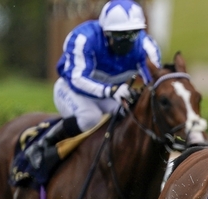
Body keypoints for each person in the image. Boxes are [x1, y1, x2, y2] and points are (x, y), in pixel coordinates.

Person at [23, 0, 161, 172]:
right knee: (90, 117)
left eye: (132, 34)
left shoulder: (147, 46)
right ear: (105, 32)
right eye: (120, 35)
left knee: (130, 116)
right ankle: (42, 144)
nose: (126, 41)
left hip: (110, 93)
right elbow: (77, 79)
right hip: (72, 90)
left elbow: (155, 84)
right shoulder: (83, 38)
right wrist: (111, 90)